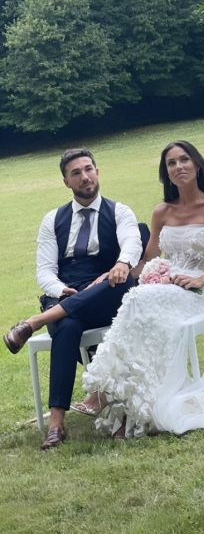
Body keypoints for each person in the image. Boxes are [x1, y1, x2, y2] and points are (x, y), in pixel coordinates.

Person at [77, 140, 204, 438]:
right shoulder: (162, 212)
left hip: (200, 295)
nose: (179, 166)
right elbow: (147, 261)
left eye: (184, 160)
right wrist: (114, 273)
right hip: (166, 291)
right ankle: (132, 410)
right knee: (143, 310)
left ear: (197, 165)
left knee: (139, 299)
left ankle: (106, 391)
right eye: (171, 163)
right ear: (166, 173)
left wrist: (202, 280)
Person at [3, 148, 143, 449]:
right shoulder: (53, 219)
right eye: (76, 173)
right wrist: (58, 290)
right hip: (68, 294)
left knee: (114, 282)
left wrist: (122, 264)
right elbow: (44, 271)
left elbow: (132, 240)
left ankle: (35, 322)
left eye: (89, 169)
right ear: (66, 182)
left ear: (97, 171)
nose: (85, 176)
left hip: (107, 291)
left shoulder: (119, 211)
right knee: (66, 326)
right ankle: (56, 423)